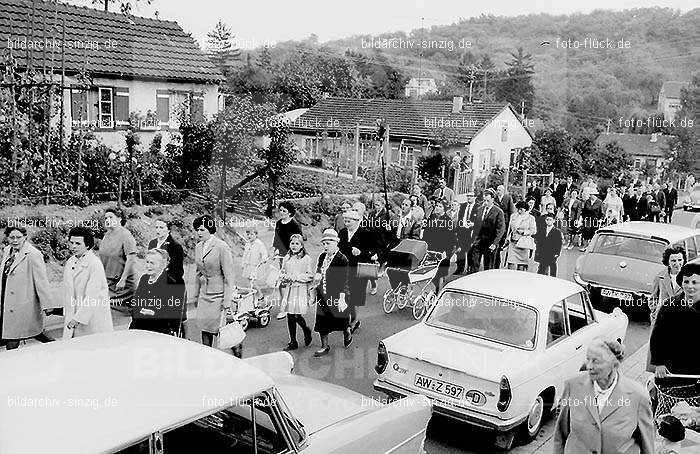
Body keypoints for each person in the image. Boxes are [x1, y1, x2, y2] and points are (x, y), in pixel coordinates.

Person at [553, 338, 654, 454]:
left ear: (614, 365)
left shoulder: (638, 397)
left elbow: (647, 444)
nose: (589, 366)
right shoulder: (572, 386)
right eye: (588, 359)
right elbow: (560, 434)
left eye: (596, 361)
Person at [0, 226, 54, 350]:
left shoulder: (33, 254)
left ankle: (12, 364)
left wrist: (47, 304)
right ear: (7, 238)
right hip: (6, 301)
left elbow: (41, 281)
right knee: (33, 331)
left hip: (23, 303)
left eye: (18, 237)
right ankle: (56, 346)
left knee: (14, 336)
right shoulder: (8, 251)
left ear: (25, 237)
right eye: (11, 237)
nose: (15, 240)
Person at [190, 215, 235, 349]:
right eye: (197, 230)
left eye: (202, 230)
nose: (198, 233)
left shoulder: (222, 247)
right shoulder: (198, 246)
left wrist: (227, 299)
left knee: (220, 331)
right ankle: (208, 356)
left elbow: (229, 276)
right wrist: (196, 295)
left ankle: (235, 356)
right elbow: (198, 272)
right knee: (204, 328)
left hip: (219, 295)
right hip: (204, 294)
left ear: (210, 229)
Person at [649, 263, 700, 378]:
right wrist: (659, 363)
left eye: (695, 282)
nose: (690, 286)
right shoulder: (669, 305)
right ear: (681, 283)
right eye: (686, 282)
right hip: (671, 368)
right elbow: (658, 336)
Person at [62, 227, 114, 339]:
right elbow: (69, 293)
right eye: (71, 243)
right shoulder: (70, 262)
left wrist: (78, 318)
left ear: (87, 245)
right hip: (74, 317)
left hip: (93, 319)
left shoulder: (94, 264)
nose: (73, 246)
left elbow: (92, 296)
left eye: (77, 243)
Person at [646, 245, 686, 373]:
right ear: (668, 262)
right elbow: (652, 296)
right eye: (673, 260)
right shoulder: (660, 276)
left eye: (680, 260)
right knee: (659, 348)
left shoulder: (688, 278)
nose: (677, 264)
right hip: (661, 319)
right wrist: (654, 312)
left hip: (680, 319)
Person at [312, 228, 352, 357]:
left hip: (337, 294)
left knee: (341, 319)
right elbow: (318, 269)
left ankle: (347, 331)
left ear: (336, 243)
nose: (325, 246)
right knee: (322, 320)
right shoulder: (322, 256)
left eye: (328, 243)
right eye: (323, 243)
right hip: (322, 294)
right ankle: (325, 346)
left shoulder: (342, 259)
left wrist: (342, 298)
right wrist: (317, 275)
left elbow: (344, 280)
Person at [129, 249, 186, 336]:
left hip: (160, 331)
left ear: (163, 265)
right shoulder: (144, 279)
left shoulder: (172, 283)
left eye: (152, 263)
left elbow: (175, 314)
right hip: (139, 327)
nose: (148, 266)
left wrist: (154, 313)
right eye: (147, 262)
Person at [338, 208, 376, 334]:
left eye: (349, 221)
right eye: (345, 221)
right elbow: (339, 249)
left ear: (357, 221)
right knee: (346, 294)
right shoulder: (343, 233)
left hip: (360, 268)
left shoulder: (366, 233)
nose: (346, 224)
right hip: (345, 268)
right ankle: (348, 318)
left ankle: (354, 321)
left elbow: (372, 251)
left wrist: (361, 252)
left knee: (357, 296)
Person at [98, 207, 137, 312]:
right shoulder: (106, 236)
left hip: (122, 285)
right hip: (108, 283)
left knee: (113, 312)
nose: (107, 220)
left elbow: (131, 259)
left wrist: (123, 280)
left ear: (119, 219)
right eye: (106, 218)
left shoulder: (126, 235)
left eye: (111, 217)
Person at [279, 234, 313, 351]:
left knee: (297, 314)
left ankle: (305, 329)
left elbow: (309, 276)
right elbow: (282, 271)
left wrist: (296, 277)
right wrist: (284, 276)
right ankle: (293, 341)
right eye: (292, 243)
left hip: (300, 289)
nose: (294, 246)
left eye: (297, 243)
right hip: (290, 288)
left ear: (302, 246)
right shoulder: (287, 257)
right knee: (290, 314)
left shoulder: (306, 258)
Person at [423, 201, 457, 292]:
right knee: (430, 273)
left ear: (444, 209)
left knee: (440, 274)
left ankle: (439, 293)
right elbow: (426, 234)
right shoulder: (431, 218)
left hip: (443, 251)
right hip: (431, 250)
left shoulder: (448, 221)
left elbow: (451, 239)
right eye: (436, 206)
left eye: (440, 206)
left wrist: (447, 253)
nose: (437, 208)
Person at [469, 189, 505, 273]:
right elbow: (476, 226)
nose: (485, 203)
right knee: (474, 263)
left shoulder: (498, 212)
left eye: (488, 201)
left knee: (488, 266)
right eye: (484, 200)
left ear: (492, 199)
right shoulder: (479, 209)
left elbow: (500, 230)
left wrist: (495, 243)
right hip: (479, 241)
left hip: (490, 242)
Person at [149, 218, 185, 285]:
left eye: (161, 228)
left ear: (168, 230)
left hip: (170, 282)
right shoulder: (152, 243)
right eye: (156, 227)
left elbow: (178, 270)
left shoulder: (175, 246)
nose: (158, 230)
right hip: (154, 281)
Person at [505, 201, 536, 271]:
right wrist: (507, 239)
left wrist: (524, 232)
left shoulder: (530, 218)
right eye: (518, 209)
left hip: (523, 244)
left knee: (521, 266)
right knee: (510, 263)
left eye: (521, 209)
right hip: (513, 242)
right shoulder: (513, 216)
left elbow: (533, 230)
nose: (519, 211)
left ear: (525, 209)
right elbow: (509, 229)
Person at [454, 192, 478, 275]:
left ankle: (470, 268)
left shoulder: (477, 207)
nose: (469, 198)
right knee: (460, 251)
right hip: (462, 230)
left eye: (471, 196)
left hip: (471, 231)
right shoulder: (463, 206)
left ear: (474, 197)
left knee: (470, 251)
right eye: (468, 196)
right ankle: (459, 268)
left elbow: (479, 221)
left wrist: (473, 224)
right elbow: (460, 218)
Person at [494, 185, 515, 269]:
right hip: (496, 222)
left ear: (503, 191)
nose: (498, 191)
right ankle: (495, 263)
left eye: (499, 190)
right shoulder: (494, 198)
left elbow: (511, 211)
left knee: (502, 240)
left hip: (505, 222)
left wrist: (510, 223)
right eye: (497, 190)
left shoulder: (508, 198)